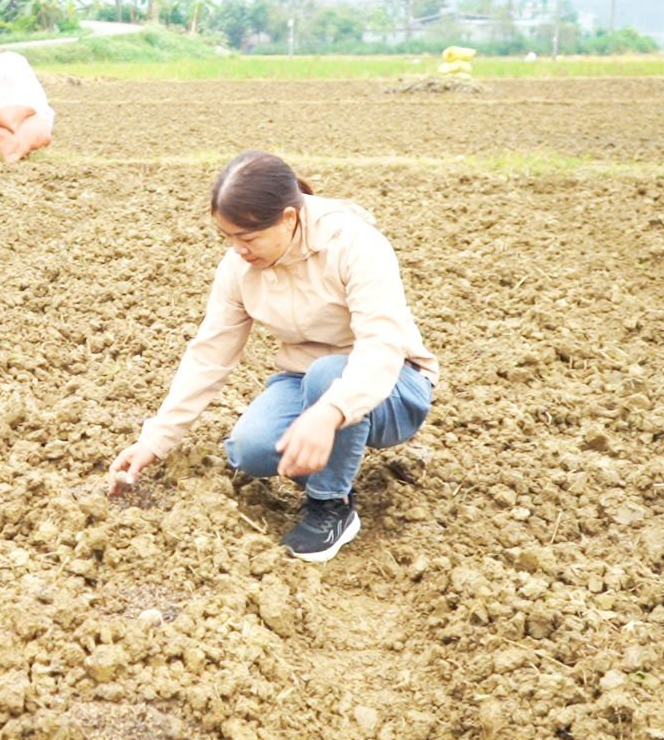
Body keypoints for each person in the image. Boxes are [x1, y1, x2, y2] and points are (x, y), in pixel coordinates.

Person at [108, 151, 438, 563]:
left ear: (288, 218)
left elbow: (381, 345)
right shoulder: (239, 268)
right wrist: (154, 440)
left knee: (328, 375)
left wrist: (330, 412)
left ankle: (331, 506)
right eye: (227, 237)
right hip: (308, 380)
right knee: (251, 450)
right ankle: (330, 459)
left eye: (247, 239)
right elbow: (209, 354)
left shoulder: (354, 245)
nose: (237, 250)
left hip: (394, 385)